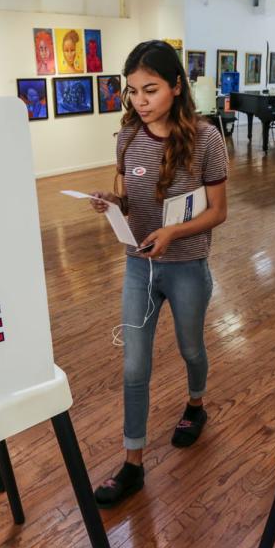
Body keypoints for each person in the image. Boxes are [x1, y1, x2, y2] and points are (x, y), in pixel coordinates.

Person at [88, 40, 228, 508]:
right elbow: (128, 198)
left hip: (186, 265)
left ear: (176, 86)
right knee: (134, 366)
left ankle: (195, 404)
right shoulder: (127, 136)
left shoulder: (207, 138)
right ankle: (133, 465)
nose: (140, 101)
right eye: (132, 91)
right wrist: (112, 204)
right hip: (139, 266)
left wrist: (174, 234)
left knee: (191, 347)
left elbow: (218, 213)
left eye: (150, 89)